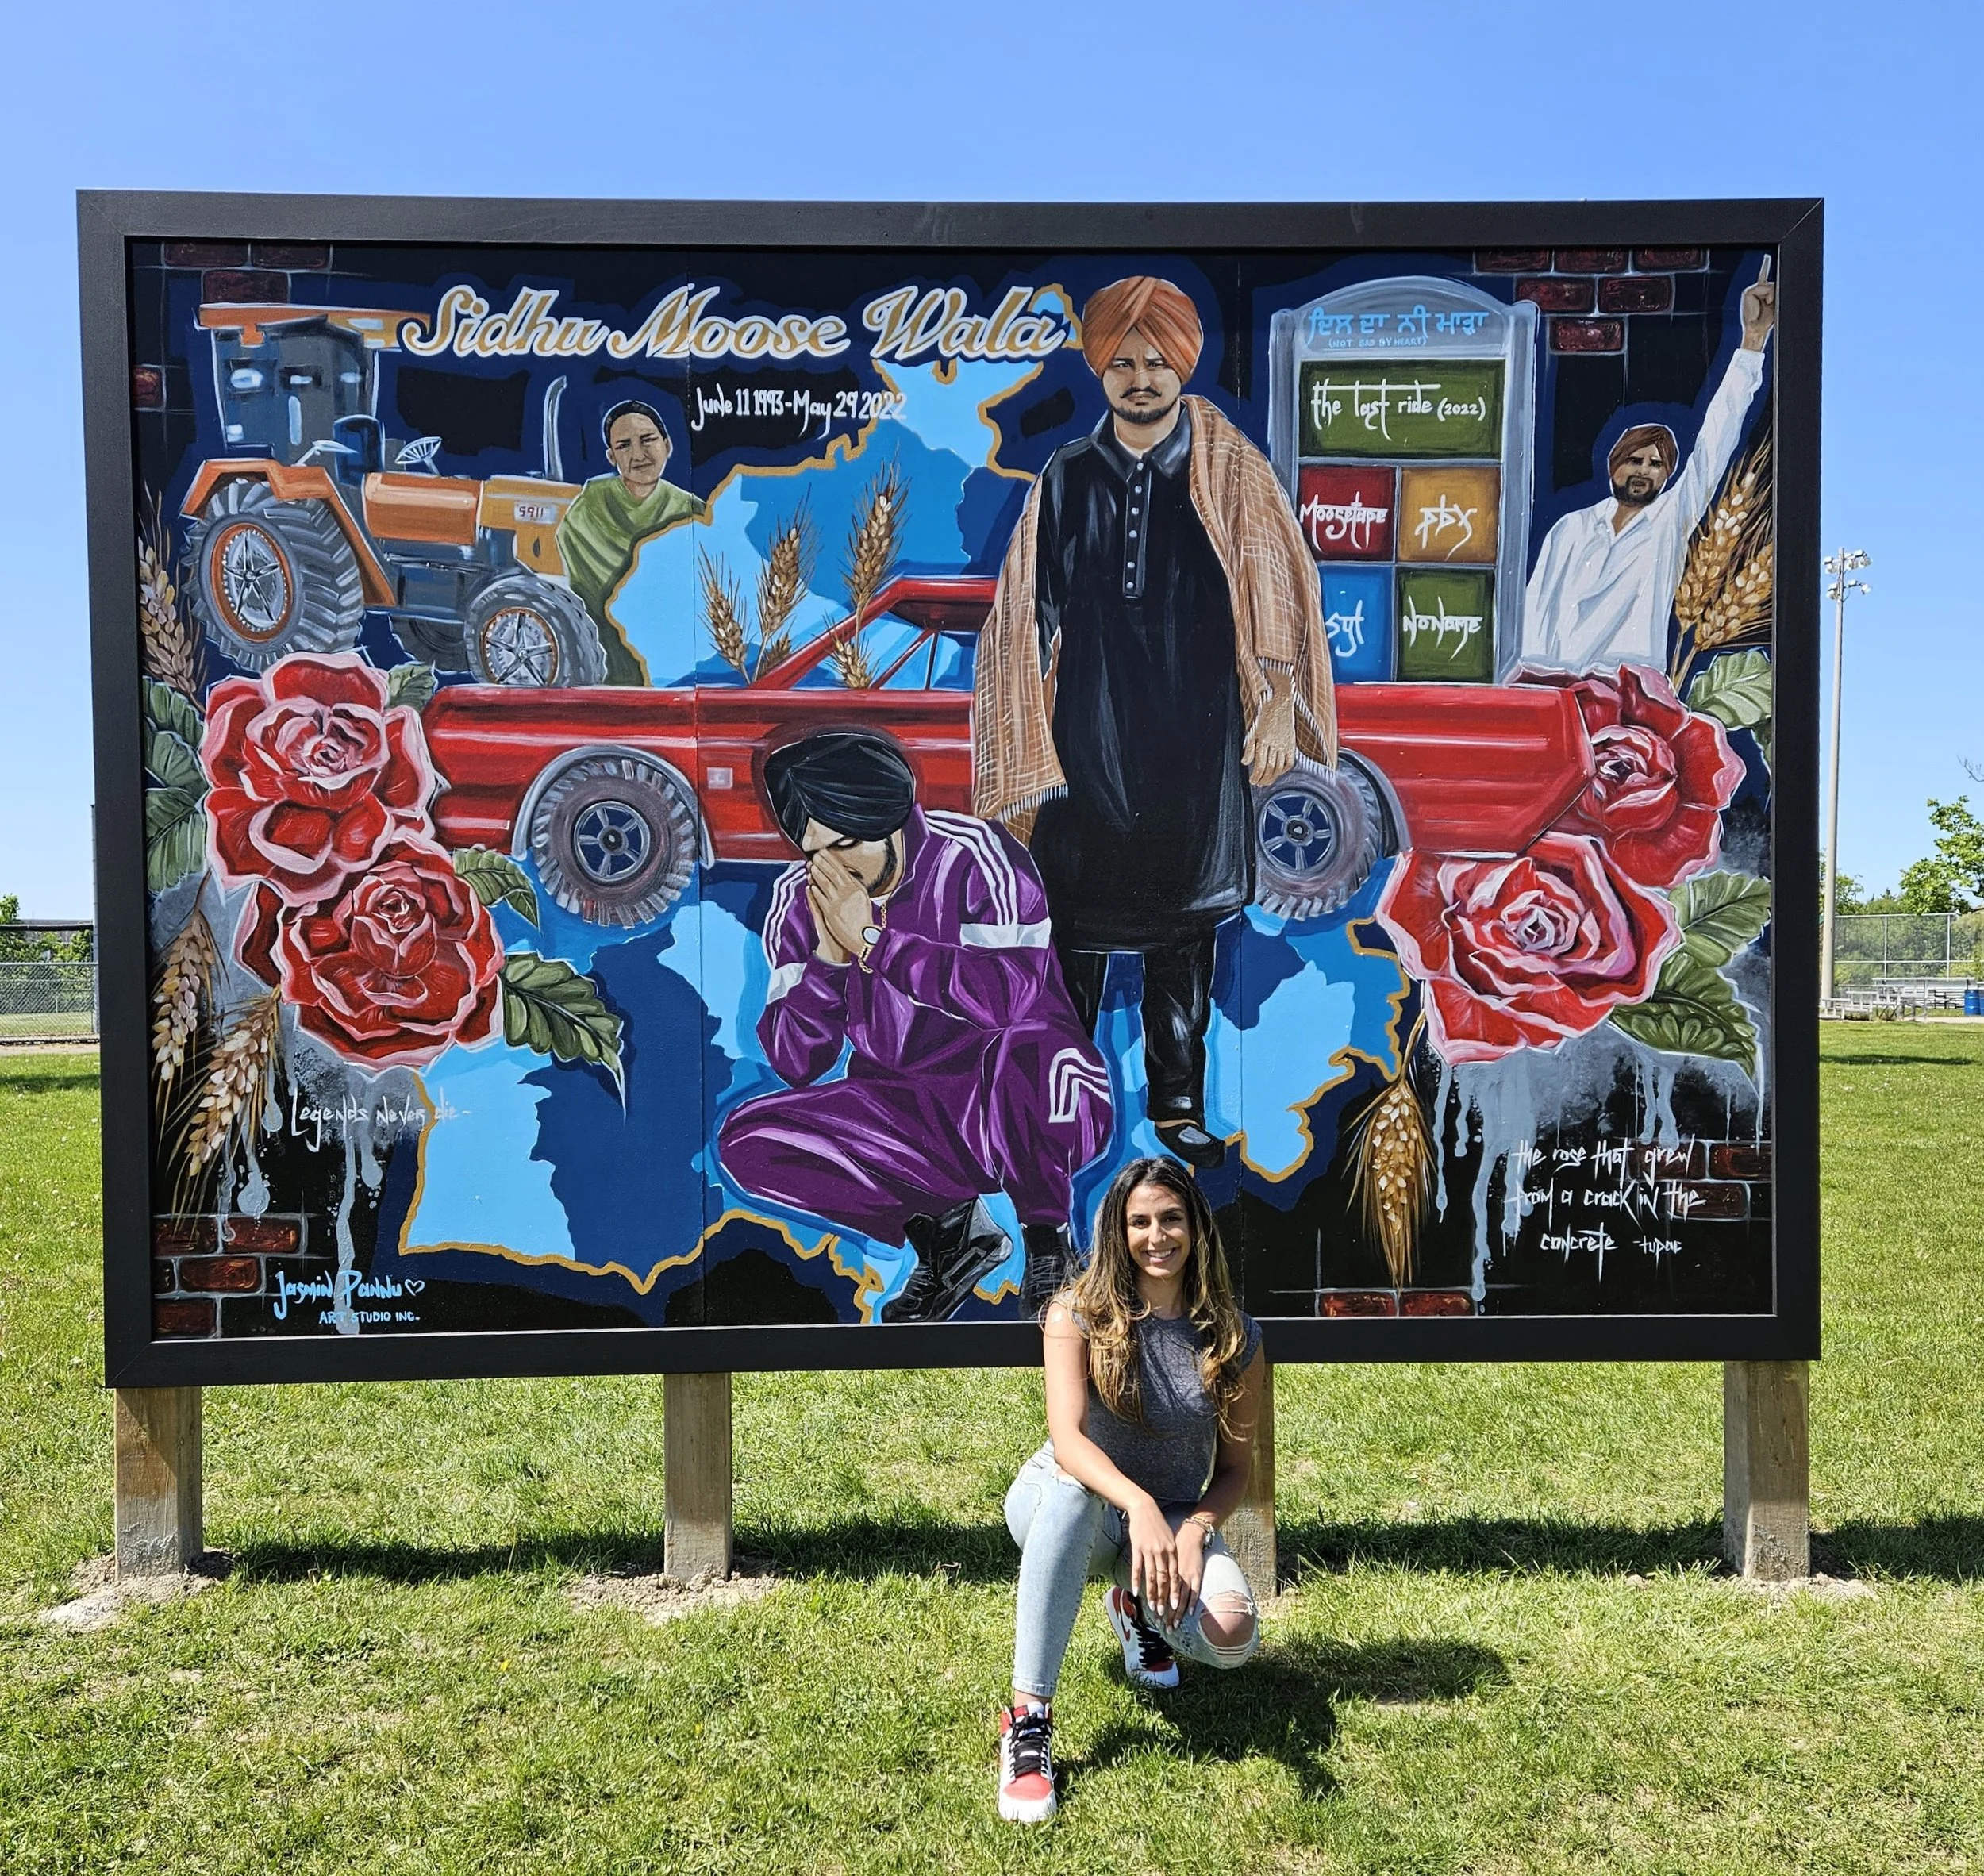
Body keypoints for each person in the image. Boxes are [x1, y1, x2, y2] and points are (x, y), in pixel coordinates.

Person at [975, 276, 1336, 1171]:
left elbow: (1275, 590)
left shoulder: (1232, 468)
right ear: (1100, 369)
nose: (1140, 378)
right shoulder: (1068, 474)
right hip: (1087, 739)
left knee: (1183, 939)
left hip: (1194, 736)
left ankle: (1178, 1107)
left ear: (1183, 365)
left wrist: (1278, 704)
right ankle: (1057, 1108)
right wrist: (1023, 731)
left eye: (1156, 361)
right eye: (1122, 362)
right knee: (1072, 937)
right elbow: (1030, 610)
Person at [716, 728, 1112, 1322]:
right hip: (910, 1113)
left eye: (845, 843)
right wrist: (828, 960)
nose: (832, 869)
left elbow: (1008, 997)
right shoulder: (800, 900)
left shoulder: (975, 854)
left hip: (1032, 1097)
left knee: (1022, 1044)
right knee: (750, 1142)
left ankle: (1049, 1242)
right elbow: (796, 1063)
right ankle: (952, 1236)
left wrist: (875, 944)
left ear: (892, 820)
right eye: (813, 852)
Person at [997, 1155, 1266, 1824]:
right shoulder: (1076, 1313)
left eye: (1171, 1219)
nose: (1157, 1236)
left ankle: (1136, 1607)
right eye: (1139, 1221)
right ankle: (1028, 1722)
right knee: (1071, 1492)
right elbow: (1068, 1440)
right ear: (1119, 1231)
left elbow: (1234, 1469)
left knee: (1231, 1637)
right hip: (1067, 1502)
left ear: (1196, 1228)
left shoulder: (1233, 1333)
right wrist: (1138, 1503)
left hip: (1171, 1516)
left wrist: (1194, 1530)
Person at [1520, 258, 1778, 673]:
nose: (1644, 470)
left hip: (1632, 694)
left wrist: (1753, 341)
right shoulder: (1570, 528)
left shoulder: (1669, 522)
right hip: (1558, 690)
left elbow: (1716, 441)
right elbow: (1535, 614)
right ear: (1613, 467)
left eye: (1656, 464)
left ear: (1668, 475)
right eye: (1635, 460)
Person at [556, 398, 704, 684]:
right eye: (624, 446)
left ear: (667, 445)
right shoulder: (589, 507)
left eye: (647, 440)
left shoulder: (692, 510)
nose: (638, 455)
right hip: (604, 668)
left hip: (677, 671)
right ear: (612, 457)